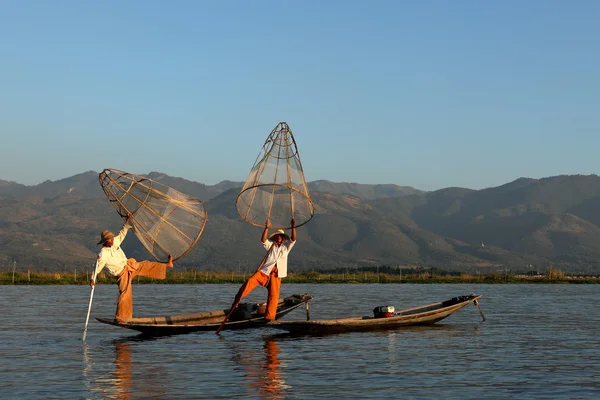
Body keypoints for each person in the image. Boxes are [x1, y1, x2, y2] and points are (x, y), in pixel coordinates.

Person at [90, 213, 174, 322]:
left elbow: (122, 233)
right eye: (110, 239)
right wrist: (93, 278)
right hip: (122, 274)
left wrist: (127, 223)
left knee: (145, 265)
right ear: (106, 241)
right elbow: (97, 267)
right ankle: (121, 317)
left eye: (111, 238)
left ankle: (167, 265)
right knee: (125, 294)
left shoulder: (114, 242)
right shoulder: (103, 254)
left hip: (129, 265)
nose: (112, 240)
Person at [231, 218, 297, 321]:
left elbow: (293, 239)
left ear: (283, 238)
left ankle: (269, 318)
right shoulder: (271, 245)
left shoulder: (285, 247)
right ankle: (236, 301)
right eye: (277, 236)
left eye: (280, 236)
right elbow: (263, 240)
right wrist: (266, 227)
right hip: (265, 272)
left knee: (273, 297)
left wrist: (293, 226)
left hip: (276, 276)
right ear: (275, 237)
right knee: (250, 281)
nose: (278, 237)